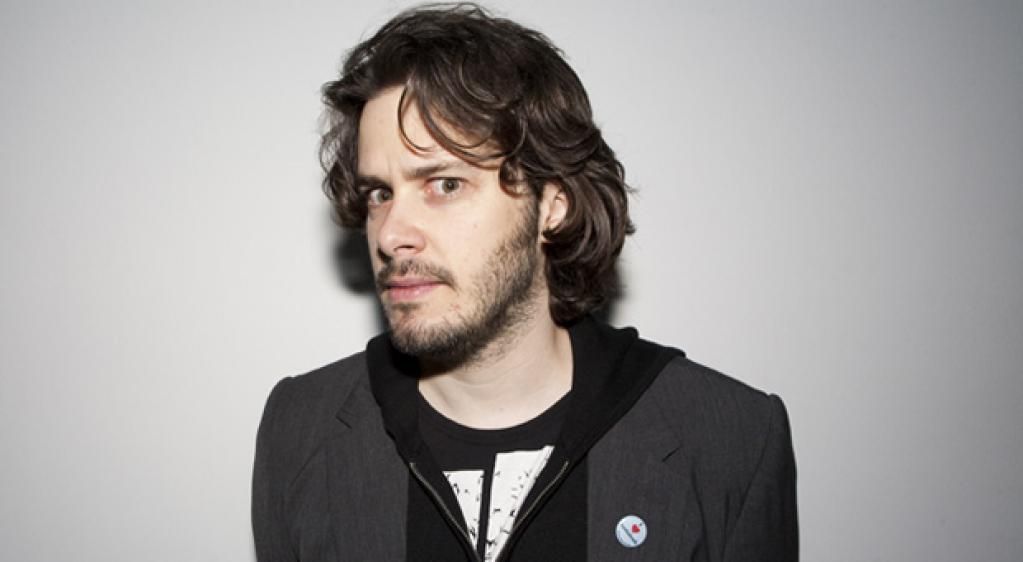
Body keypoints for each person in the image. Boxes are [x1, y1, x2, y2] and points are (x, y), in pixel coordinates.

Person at [252, 3, 798, 561]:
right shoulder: (300, 429)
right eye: (379, 193)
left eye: (445, 184)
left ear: (552, 206)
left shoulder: (731, 439)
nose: (391, 235)